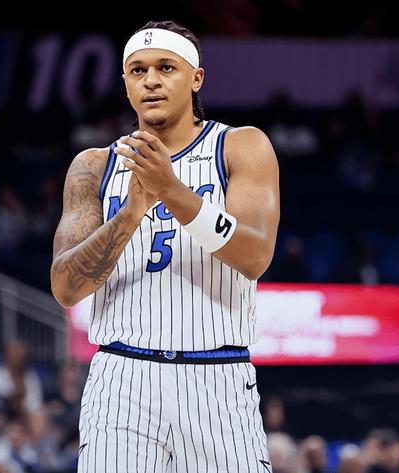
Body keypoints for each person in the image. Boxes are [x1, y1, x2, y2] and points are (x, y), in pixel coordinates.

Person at [51, 20, 279, 472]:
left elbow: (255, 257)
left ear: (196, 78)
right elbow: (66, 288)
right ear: (125, 84)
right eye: (138, 70)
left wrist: (170, 190)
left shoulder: (240, 145)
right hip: (122, 379)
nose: (151, 80)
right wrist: (129, 214)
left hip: (217, 378)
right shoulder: (94, 165)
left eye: (165, 68)